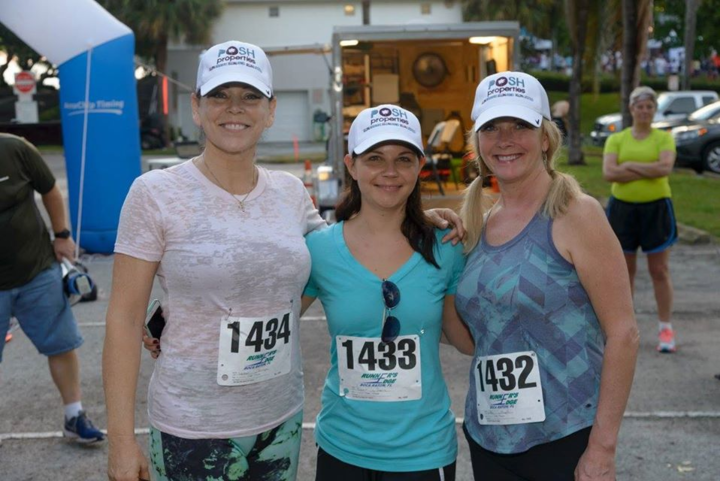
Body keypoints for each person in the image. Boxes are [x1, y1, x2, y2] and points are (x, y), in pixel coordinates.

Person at [104, 41, 463, 481]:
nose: (235, 108)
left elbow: (342, 245)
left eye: (250, 96)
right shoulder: (155, 194)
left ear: (270, 110)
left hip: (279, 421)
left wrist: (412, 217)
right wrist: (121, 440)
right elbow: (123, 318)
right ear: (196, 107)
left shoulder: (290, 194)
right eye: (220, 95)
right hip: (194, 425)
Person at [455, 72, 639, 480]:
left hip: (564, 437)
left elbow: (624, 333)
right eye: (491, 128)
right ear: (478, 143)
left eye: (520, 125)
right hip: (489, 437)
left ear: (545, 137)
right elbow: (472, 341)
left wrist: (602, 448)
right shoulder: (479, 223)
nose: (505, 139)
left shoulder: (576, 213)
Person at [303, 105, 473, 480]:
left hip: (423, 451)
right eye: (375, 158)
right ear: (351, 165)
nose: (390, 172)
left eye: (404, 159)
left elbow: (464, 338)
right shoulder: (320, 250)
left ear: (420, 166)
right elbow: (271, 316)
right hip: (342, 447)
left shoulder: (445, 247)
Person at [0, 133, 105, 444]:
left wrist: (62, 235)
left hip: (38, 272)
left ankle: (75, 416)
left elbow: (49, 189)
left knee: (61, 344)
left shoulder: (14, 148)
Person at [602, 86, 678, 353]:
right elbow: (610, 173)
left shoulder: (664, 138)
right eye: (639, 106)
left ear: (654, 110)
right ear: (631, 109)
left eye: (649, 106)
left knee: (659, 271)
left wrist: (629, 167)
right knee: (624, 272)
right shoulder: (617, 139)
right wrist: (648, 170)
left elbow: (665, 168)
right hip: (622, 210)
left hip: (656, 209)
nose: (644, 111)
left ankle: (665, 327)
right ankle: (625, 330)